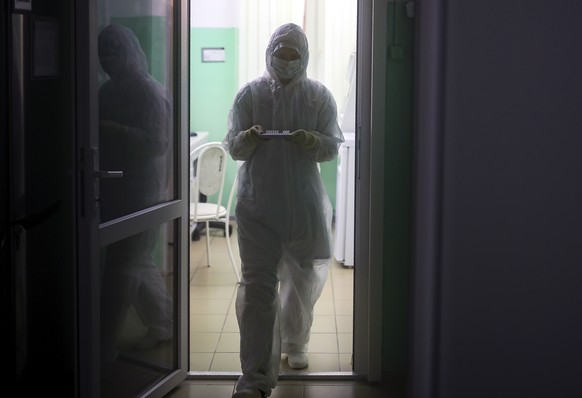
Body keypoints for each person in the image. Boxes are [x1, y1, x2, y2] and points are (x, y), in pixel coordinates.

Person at [223, 23, 344, 398]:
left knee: (302, 280)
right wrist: (246, 138)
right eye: (281, 54)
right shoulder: (251, 94)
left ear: (304, 57)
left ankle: (296, 342)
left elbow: (331, 146)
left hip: (303, 206)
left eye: (294, 55)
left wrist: (313, 141)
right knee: (258, 289)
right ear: (269, 53)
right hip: (257, 204)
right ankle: (255, 377)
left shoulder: (318, 97)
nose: (287, 61)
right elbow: (233, 146)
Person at [97, 24, 173, 362]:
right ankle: (162, 322)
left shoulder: (148, 92)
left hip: (140, 192)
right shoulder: (107, 91)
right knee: (135, 260)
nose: (108, 61)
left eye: (114, 53)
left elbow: (157, 143)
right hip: (114, 187)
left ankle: (102, 345)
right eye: (103, 55)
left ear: (129, 52)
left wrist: (115, 130)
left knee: (119, 269)